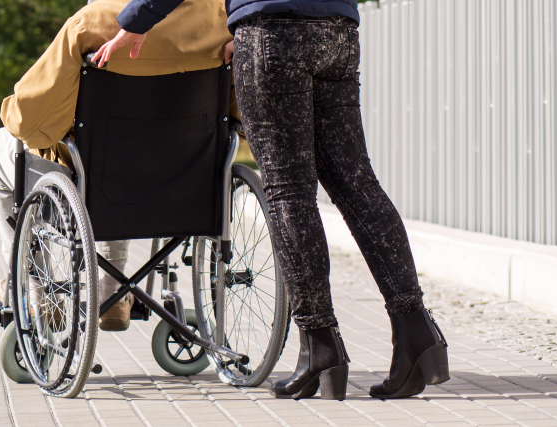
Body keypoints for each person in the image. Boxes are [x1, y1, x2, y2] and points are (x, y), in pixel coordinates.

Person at [96, 0, 449, 400]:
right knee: (357, 184)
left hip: (271, 34)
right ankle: (416, 331)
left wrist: (137, 21)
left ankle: (321, 346)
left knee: (289, 190)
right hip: (337, 31)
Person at [0, 0, 232, 332]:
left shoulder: (91, 24)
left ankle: (35, 290)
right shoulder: (224, 18)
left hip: (96, 190)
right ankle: (112, 293)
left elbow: (29, 122)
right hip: (188, 186)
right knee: (126, 156)